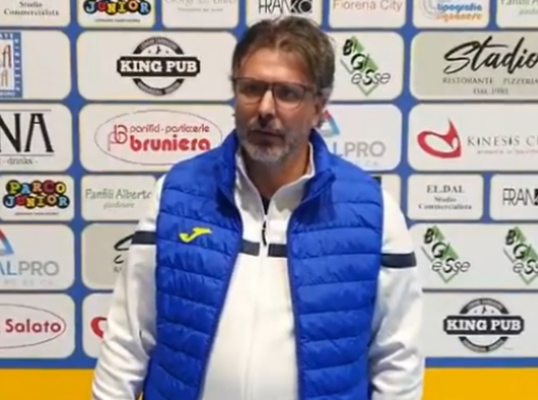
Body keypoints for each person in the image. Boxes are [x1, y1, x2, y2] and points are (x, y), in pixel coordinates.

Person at [91, 16, 424, 400]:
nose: (265, 107)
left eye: (287, 93)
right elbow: (128, 338)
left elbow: (398, 358)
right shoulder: (176, 194)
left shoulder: (372, 210)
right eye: (251, 88)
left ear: (319, 106)